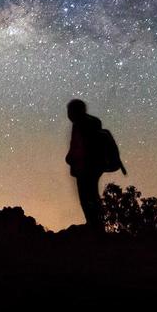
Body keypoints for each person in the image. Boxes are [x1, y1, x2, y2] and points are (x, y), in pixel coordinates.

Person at [64, 98, 105, 229]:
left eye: (69, 111)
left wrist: (71, 158)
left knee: (87, 196)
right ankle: (95, 224)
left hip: (86, 167)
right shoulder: (91, 123)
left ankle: (94, 225)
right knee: (91, 195)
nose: (68, 115)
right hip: (91, 167)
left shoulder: (82, 124)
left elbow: (80, 147)